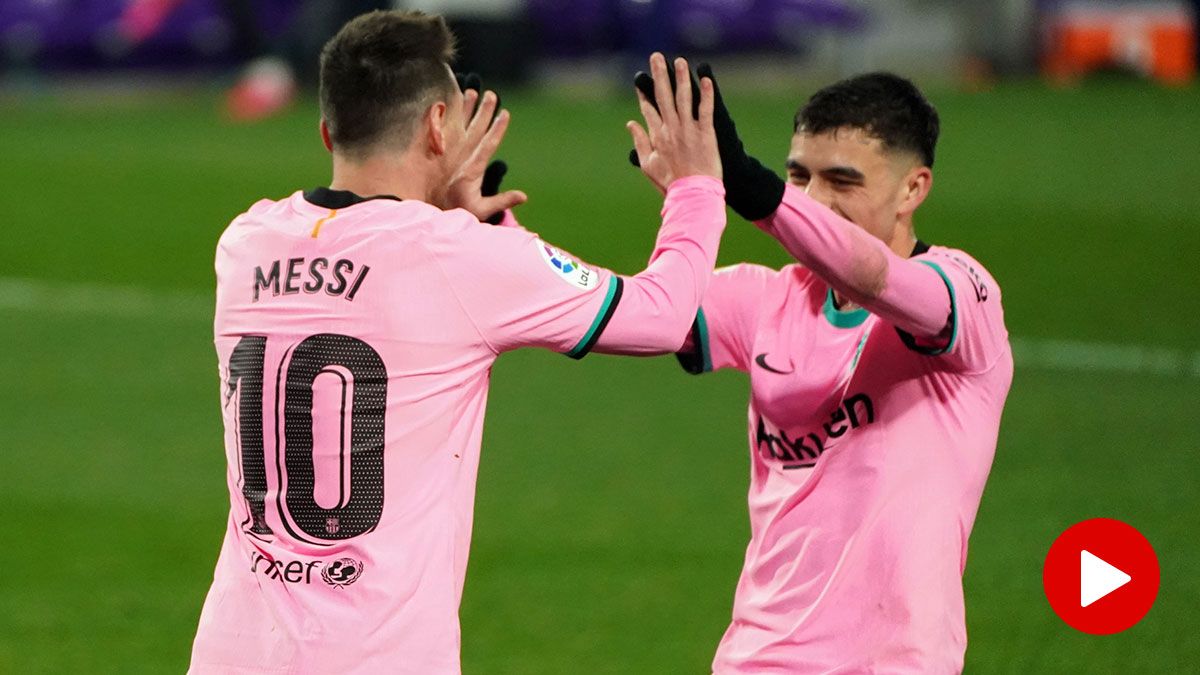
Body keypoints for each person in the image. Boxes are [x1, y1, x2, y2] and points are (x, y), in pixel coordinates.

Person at [188, 9, 725, 673]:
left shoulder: (245, 242)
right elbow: (663, 315)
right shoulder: (457, 256)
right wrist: (699, 187)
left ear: (329, 129)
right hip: (376, 657)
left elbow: (364, 282)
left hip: (233, 650)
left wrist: (460, 224)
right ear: (439, 126)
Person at [634, 68, 1013, 672]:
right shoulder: (768, 299)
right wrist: (493, 233)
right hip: (756, 658)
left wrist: (754, 189)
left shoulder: (961, 297)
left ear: (913, 189)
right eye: (797, 175)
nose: (812, 199)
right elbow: (636, 314)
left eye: (842, 180)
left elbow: (875, 275)